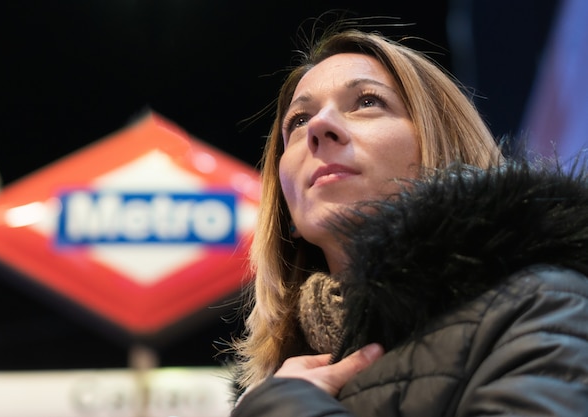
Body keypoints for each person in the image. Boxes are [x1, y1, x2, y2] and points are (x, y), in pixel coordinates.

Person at [229, 25, 588, 416]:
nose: (318, 126)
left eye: (367, 102)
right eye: (298, 122)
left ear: (442, 151)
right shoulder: (266, 388)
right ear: (287, 210)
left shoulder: (543, 304)